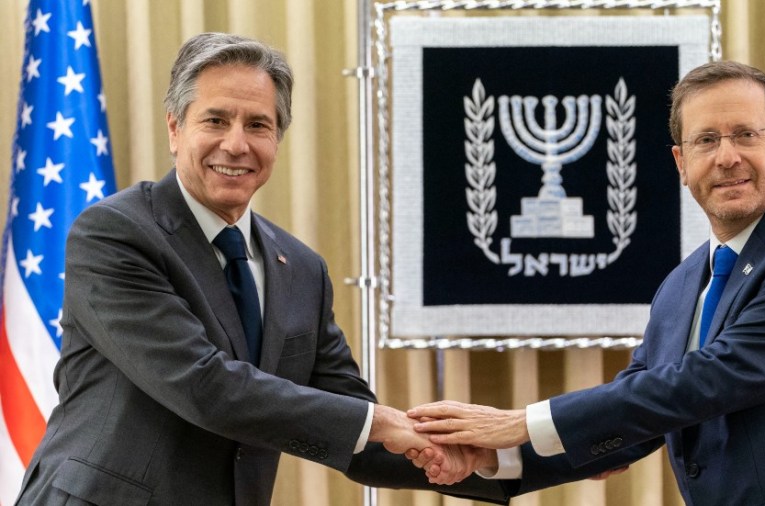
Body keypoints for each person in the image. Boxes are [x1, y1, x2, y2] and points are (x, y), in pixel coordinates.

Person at [14, 33, 508, 505]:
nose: (236, 144)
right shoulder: (115, 233)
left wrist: (488, 457)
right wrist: (381, 422)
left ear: (277, 139)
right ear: (174, 127)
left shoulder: (302, 271)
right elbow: (204, 387)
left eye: (257, 125)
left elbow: (351, 428)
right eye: (215, 120)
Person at [408, 60, 765, 505]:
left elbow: (716, 377)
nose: (727, 157)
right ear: (681, 164)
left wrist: (520, 423)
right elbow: (640, 417)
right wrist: (496, 458)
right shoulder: (681, 286)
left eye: (746, 134)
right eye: (706, 140)